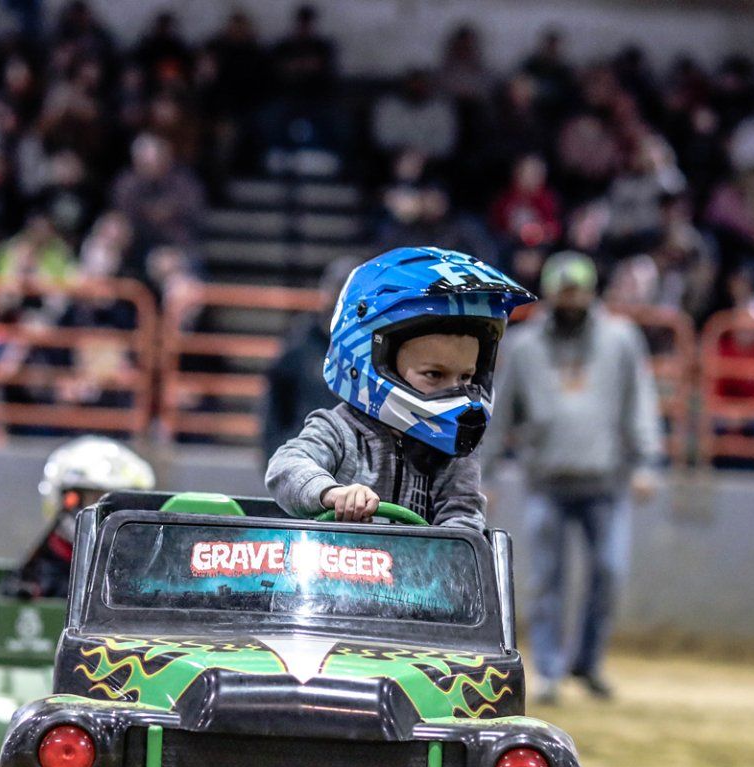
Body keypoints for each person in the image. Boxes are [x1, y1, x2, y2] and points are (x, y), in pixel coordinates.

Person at [494, 252, 662, 704]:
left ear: (591, 292)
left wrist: (647, 461)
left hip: (606, 482)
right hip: (546, 482)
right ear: (549, 293)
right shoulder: (524, 346)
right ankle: (549, 670)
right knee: (546, 580)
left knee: (609, 573)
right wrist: (481, 472)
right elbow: (500, 408)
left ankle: (587, 662)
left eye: (578, 290)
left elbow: (639, 402)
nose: (571, 299)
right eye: (562, 291)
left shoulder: (621, 339)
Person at [266, 246, 534, 530]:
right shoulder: (338, 430)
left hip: (417, 573)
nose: (456, 391)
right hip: (334, 569)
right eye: (434, 374)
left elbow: (463, 516)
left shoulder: (452, 448)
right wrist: (331, 493)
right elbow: (285, 467)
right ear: (374, 360)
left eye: (466, 377)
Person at [10, 436, 155, 599]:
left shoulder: (146, 565)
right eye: (95, 499)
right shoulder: (39, 572)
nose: (110, 515)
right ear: (67, 501)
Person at [261, 255, 357, 459]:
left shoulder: (373, 347)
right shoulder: (301, 340)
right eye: (337, 291)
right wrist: (276, 454)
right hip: (302, 458)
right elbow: (276, 401)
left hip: (353, 462)